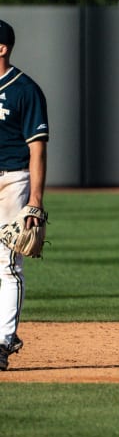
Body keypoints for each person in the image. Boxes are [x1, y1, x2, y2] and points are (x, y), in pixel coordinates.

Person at [0, 19, 50, 371]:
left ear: (1, 49)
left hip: (13, 181)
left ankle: (3, 340)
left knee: (7, 264)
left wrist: (35, 200)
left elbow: (37, 148)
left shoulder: (25, 90)